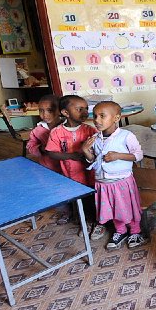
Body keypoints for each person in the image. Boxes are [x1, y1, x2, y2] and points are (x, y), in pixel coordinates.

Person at [81, 101, 145, 249]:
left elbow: (138, 155)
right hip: (102, 183)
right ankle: (120, 231)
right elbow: (94, 160)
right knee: (113, 208)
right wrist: (85, 151)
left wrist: (118, 156)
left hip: (121, 181)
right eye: (95, 116)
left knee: (127, 207)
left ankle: (135, 231)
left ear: (116, 118)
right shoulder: (95, 138)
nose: (97, 120)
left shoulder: (126, 136)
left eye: (102, 116)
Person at [45, 95, 99, 236]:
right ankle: (84, 222)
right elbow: (51, 152)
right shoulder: (56, 132)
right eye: (79, 109)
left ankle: (97, 222)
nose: (85, 112)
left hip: (91, 175)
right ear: (65, 113)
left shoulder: (90, 130)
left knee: (93, 198)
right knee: (78, 200)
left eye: (86, 108)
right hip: (72, 176)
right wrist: (71, 156)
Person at [26, 94, 61, 172]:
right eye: (41, 110)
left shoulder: (66, 127)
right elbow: (30, 146)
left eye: (50, 110)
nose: (45, 114)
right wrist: (40, 149)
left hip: (67, 168)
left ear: (59, 111)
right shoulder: (37, 130)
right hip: (47, 167)